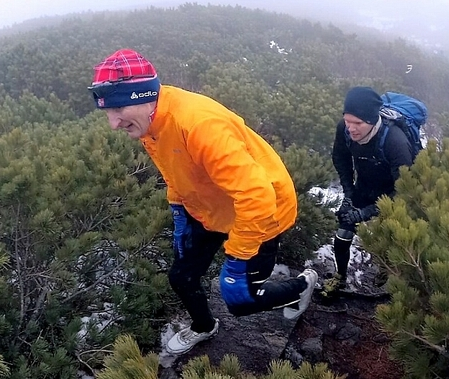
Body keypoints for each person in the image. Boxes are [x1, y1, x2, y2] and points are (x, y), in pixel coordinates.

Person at [88, 49, 318, 355]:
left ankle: (301, 286)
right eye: (107, 113)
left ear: (142, 96)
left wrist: (236, 260)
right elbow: (176, 169)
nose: (113, 124)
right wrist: (179, 210)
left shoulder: (197, 124)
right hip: (210, 208)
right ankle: (203, 326)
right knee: (181, 278)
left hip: (261, 210)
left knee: (242, 300)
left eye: (117, 110)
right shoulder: (149, 120)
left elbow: (256, 196)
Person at [330, 86, 415, 292]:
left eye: (357, 123)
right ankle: (339, 278)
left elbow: (405, 190)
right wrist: (349, 196)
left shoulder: (395, 141)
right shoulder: (345, 128)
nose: (351, 128)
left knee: (389, 238)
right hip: (364, 187)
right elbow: (340, 158)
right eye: (347, 121)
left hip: (393, 194)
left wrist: (367, 213)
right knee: (343, 230)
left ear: (371, 120)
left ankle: (386, 272)